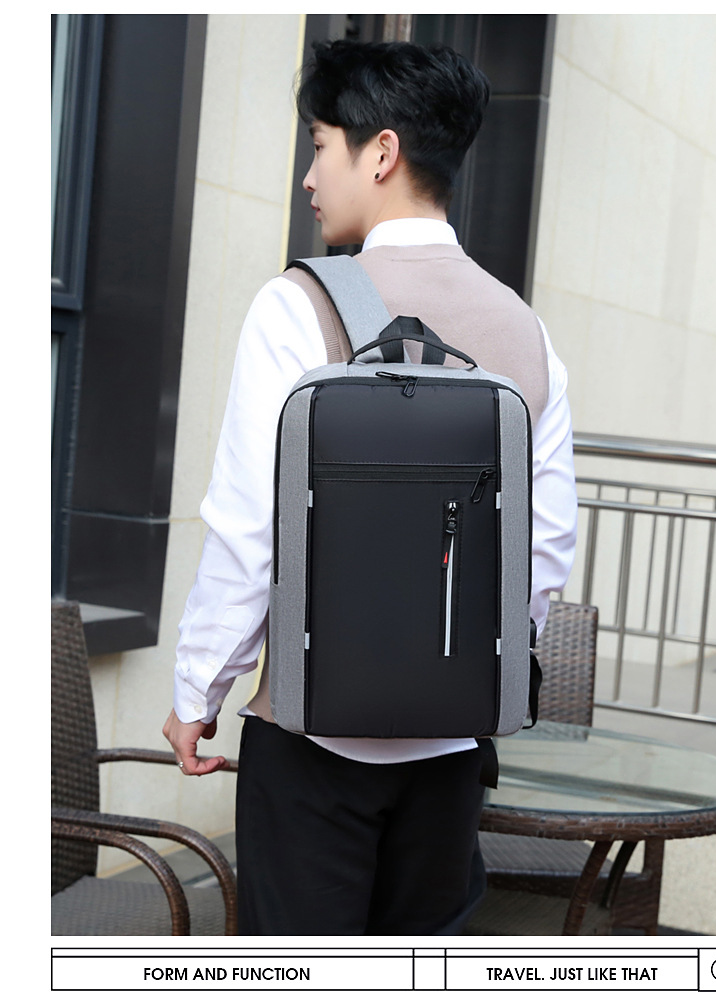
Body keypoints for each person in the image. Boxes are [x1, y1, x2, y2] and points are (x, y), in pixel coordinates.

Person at [163, 38, 577, 936]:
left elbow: (249, 529)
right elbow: (543, 550)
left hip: (311, 740)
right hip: (453, 753)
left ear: (380, 152)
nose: (310, 177)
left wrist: (199, 692)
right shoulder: (526, 331)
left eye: (320, 146)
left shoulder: (296, 305)